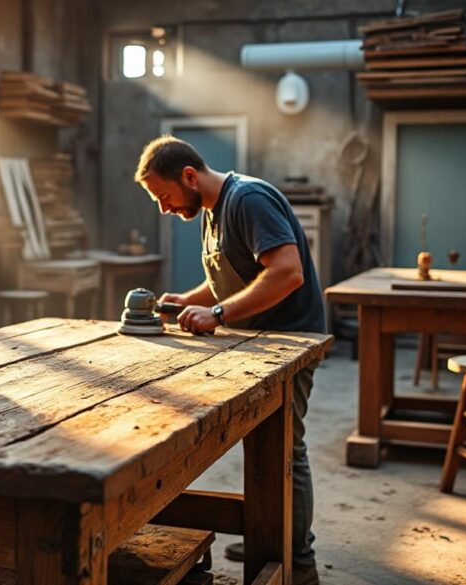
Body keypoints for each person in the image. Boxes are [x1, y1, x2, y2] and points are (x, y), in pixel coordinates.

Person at [134, 135, 325, 585]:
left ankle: (298, 564)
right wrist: (191, 299)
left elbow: (286, 272)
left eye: (164, 197)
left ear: (188, 176)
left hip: (291, 344)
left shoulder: (248, 199)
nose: (164, 209)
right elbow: (228, 277)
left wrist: (217, 314)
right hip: (260, 343)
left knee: (286, 451)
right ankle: (267, 532)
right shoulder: (211, 212)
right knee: (260, 445)